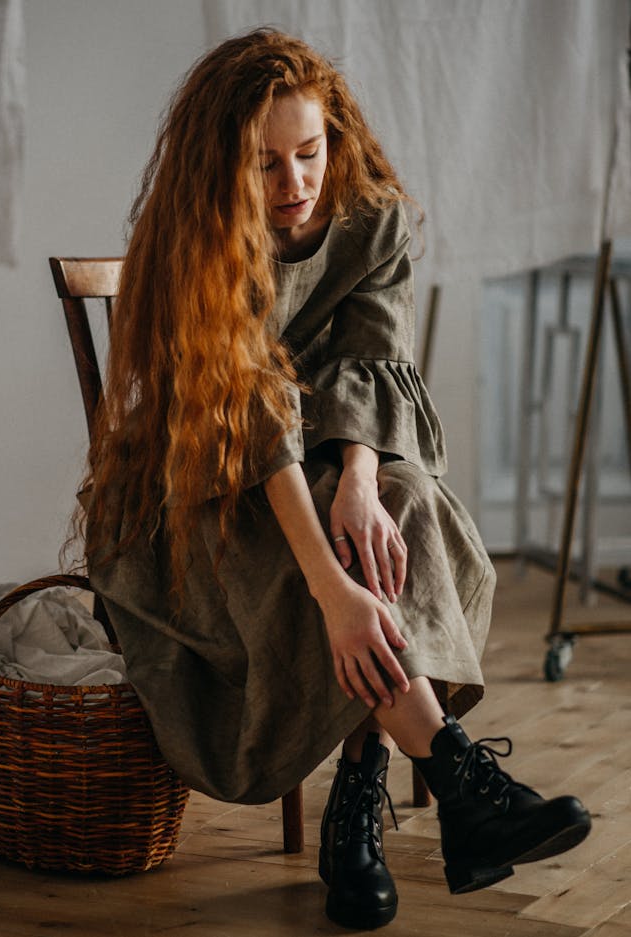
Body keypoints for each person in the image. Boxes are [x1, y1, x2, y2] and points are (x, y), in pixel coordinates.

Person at [78, 28, 591, 930]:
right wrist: (331, 586)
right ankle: (449, 783)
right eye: (266, 165)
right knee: (348, 546)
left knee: (405, 505)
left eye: (309, 153)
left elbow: (373, 364)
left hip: (325, 463)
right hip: (199, 494)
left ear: (334, 138)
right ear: (226, 167)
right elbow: (251, 417)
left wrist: (359, 474)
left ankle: (365, 801)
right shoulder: (202, 240)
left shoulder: (369, 218)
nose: (295, 185)